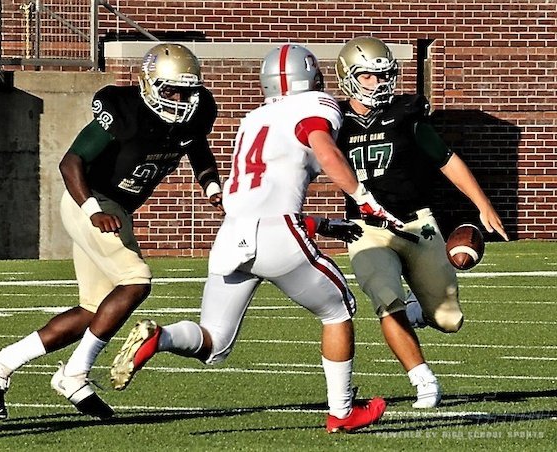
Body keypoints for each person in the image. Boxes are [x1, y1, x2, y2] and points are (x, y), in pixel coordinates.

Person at [110, 44, 402, 433]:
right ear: (311, 78)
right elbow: (324, 149)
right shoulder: (316, 105)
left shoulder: (253, 119)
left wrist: (320, 223)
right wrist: (364, 198)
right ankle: (342, 411)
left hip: (233, 234)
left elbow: (262, 193)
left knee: (215, 342)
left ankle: (159, 338)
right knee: (338, 310)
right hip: (276, 234)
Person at [0, 43, 224, 420]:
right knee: (136, 281)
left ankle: (0, 361)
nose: (178, 99)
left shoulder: (196, 113)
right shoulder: (124, 111)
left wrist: (211, 186)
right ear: (148, 83)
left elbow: (196, 147)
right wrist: (92, 210)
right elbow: (71, 161)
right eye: (170, 90)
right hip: (91, 201)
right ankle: (74, 374)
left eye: (185, 91)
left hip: (116, 208)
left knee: (93, 309)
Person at [334, 36, 509, 408]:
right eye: (368, 76)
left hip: (417, 224)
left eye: (384, 75)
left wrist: (482, 204)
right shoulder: (333, 121)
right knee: (386, 299)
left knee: (449, 320)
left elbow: (446, 158)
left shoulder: (405, 113)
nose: (379, 83)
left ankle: (417, 309)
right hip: (367, 230)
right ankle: (423, 380)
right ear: (348, 77)